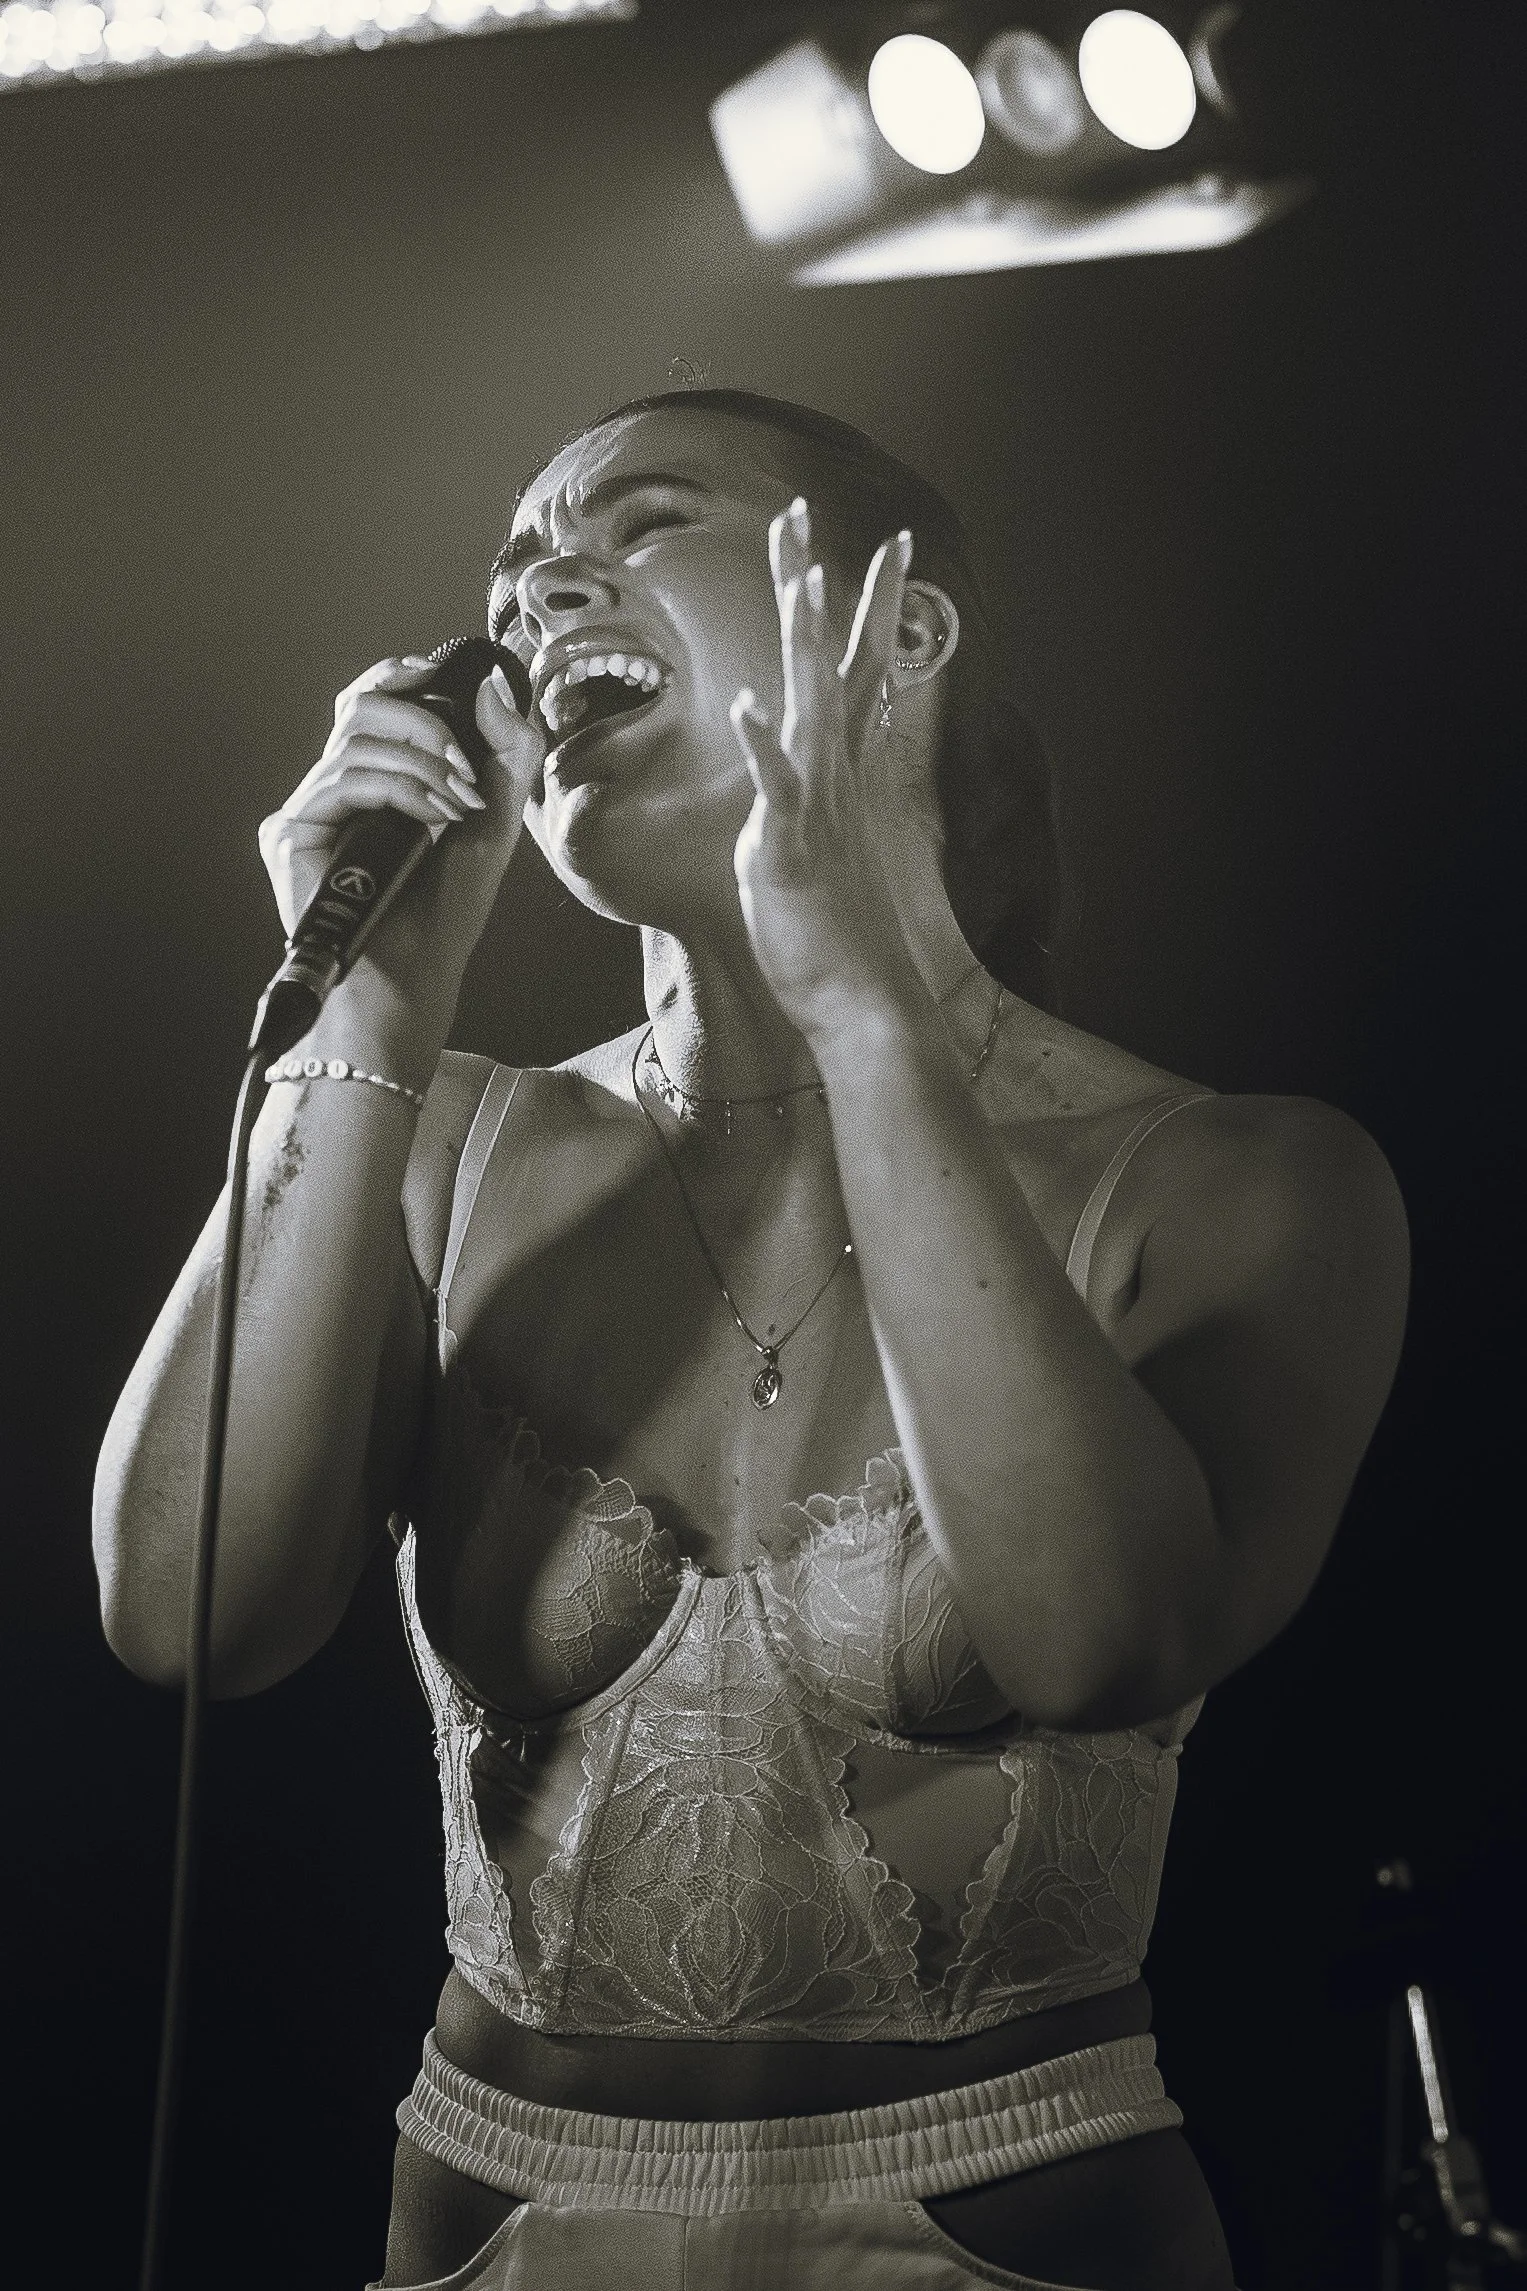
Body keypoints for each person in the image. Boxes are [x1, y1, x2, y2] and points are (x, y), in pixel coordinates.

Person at [94, 389, 1410, 2291]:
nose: (543, 584)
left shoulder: (1236, 1182)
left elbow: (1091, 1636)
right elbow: (187, 1611)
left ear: (897, 630)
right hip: (485, 2224)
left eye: (642, 523)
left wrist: (860, 994)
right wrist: (358, 1012)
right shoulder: (448, 1142)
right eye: (515, 566)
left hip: (997, 2230)